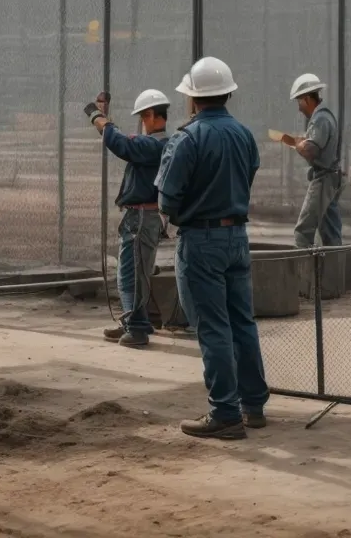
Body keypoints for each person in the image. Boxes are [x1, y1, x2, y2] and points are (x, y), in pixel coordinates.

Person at [157, 56, 268, 439]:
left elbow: (167, 199)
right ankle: (253, 406)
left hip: (201, 241)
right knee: (242, 323)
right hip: (237, 237)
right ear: (228, 94)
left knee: (213, 327)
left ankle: (225, 413)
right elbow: (248, 175)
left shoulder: (187, 138)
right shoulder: (244, 135)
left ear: (192, 99)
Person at [89, 88, 171, 347]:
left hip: (142, 218)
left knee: (131, 274)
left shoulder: (155, 145)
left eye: (142, 117)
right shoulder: (158, 145)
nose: (141, 122)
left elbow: (121, 144)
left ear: (149, 114)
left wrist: (97, 118)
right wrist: (104, 119)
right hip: (144, 217)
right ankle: (134, 321)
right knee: (137, 272)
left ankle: (136, 329)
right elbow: (123, 141)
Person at [277, 73, 343, 248]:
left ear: (307, 99)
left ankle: (302, 273)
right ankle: (333, 271)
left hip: (324, 180)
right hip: (331, 178)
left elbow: (310, 150)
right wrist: (301, 140)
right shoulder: (325, 116)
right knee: (330, 231)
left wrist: (298, 145)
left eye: (299, 102)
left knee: (303, 231)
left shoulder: (320, 118)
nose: (299, 108)